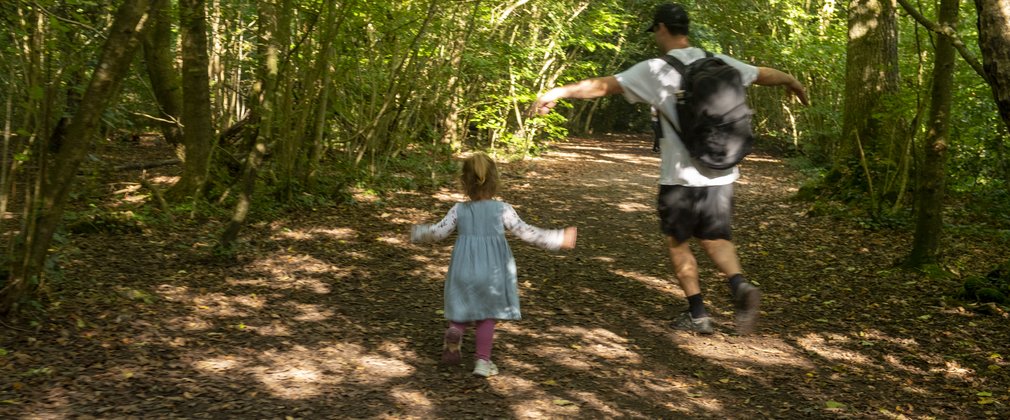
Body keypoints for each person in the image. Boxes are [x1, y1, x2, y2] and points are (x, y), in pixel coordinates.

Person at [532, 3, 809, 335]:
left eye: (656, 31)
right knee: (717, 237)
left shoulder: (654, 69)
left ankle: (699, 315)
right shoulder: (719, 61)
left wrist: (558, 92)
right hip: (722, 172)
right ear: (686, 29)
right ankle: (740, 286)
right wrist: (791, 80)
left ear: (662, 28)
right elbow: (763, 74)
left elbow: (604, 85)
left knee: (679, 243)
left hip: (679, 177)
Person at [411, 153, 577, 376]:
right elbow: (526, 232)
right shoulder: (503, 210)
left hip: (463, 269)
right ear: (495, 181)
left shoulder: (458, 210)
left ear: (464, 182)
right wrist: (558, 238)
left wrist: (417, 232)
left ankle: (455, 332)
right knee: (487, 315)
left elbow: (438, 232)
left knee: (461, 308)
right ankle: (482, 362)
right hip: (494, 272)